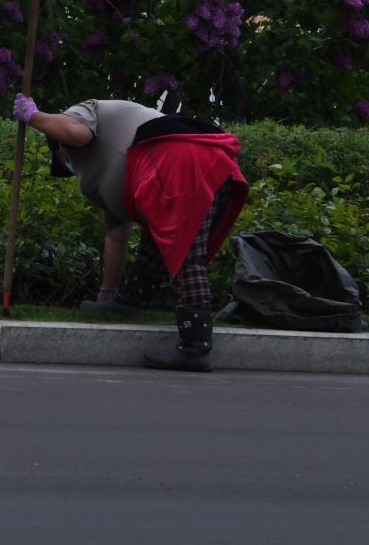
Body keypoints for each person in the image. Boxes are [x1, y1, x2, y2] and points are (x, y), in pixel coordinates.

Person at [13, 94, 249, 372]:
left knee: (185, 253)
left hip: (178, 159)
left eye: (61, 158)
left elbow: (76, 133)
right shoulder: (108, 168)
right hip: (205, 160)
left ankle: (195, 345)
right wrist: (107, 294)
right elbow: (117, 237)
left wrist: (34, 116)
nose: (67, 163)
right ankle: (128, 301)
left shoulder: (86, 111)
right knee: (160, 236)